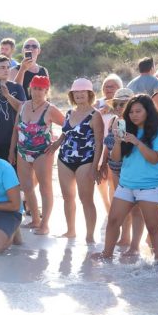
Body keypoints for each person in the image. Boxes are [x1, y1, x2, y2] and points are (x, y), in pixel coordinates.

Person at [94, 95, 158, 261]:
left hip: (150, 187)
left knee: (153, 227)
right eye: (131, 112)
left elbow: (154, 158)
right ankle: (106, 254)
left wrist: (137, 142)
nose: (134, 115)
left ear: (148, 111)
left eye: (138, 111)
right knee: (113, 221)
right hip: (126, 184)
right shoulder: (128, 130)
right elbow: (115, 159)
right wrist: (118, 142)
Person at [48, 78, 104, 243]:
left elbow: (99, 143)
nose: (79, 94)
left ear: (89, 94)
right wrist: (56, 144)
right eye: (76, 92)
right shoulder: (69, 113)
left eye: (82, 91)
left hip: (85, 160)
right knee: (67, 197)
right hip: (64, 158)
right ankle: (71, 231)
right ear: (72, 94)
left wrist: (95, 166)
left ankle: (89, 236)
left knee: (86, 199)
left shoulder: (95, 115)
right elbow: (66, 132)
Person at [8, 75, 65, 235]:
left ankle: (45, 224)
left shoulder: (50, 109)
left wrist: (56, 144)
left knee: (45, 188)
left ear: (47, 90)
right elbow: (16, 129)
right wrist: (12, 151)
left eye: (41, 89)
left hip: (42, 153)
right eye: (35, 88)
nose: (38, 92)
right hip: (22, 151)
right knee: (27, 187)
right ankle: (35, 219)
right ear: (30, 89)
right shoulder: (23, 106)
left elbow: (69, 125)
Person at [100, 88, 144, 254]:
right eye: (117, 103)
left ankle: (135, 244)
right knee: (122, 206)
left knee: (136, 208)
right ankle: (125, 237)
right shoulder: (112, 121)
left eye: (123, 104)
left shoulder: (136, 123)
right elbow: (108, 143)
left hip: (131, 169)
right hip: (115, 167)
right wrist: (103, 162)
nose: (119, 107)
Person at [94, 73, 124, 210]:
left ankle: (113, 208)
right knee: (101, 180)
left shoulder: (124, 104)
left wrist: (111, 108)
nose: (108, 89)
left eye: (112, 86)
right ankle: (107, 206)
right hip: (98, 145)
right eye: (106, 86)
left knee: (112, 179)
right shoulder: (98, 102)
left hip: (114, 146)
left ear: (119, 87)